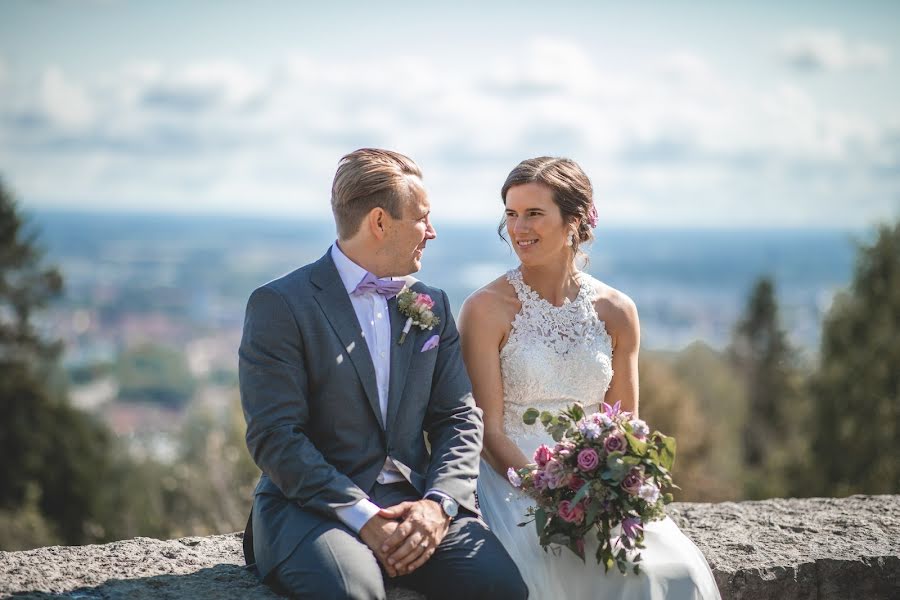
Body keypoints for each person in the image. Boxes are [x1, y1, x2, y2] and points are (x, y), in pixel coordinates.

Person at [239, 148, 527, 600]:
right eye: (422, 218)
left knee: (501, 588)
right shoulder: (280, 305)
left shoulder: (433, 304)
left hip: (416, 501)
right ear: (379, 222)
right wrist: (364, 517)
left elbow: (458, 417)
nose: (431, 232)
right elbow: (275, 436)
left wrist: (439, 505)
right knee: (354, 594)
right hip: (312, 508)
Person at [458, 156, 721, 599]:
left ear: (575, 221)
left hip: (597, 485)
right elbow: (487, 431)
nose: (519, 228)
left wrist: (606, 491)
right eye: (511, 214)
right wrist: (551, 492)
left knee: (676, 571)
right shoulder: (485, 309)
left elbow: (624, 425)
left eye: (534, 214)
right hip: (511, 483)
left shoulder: (617, 311)